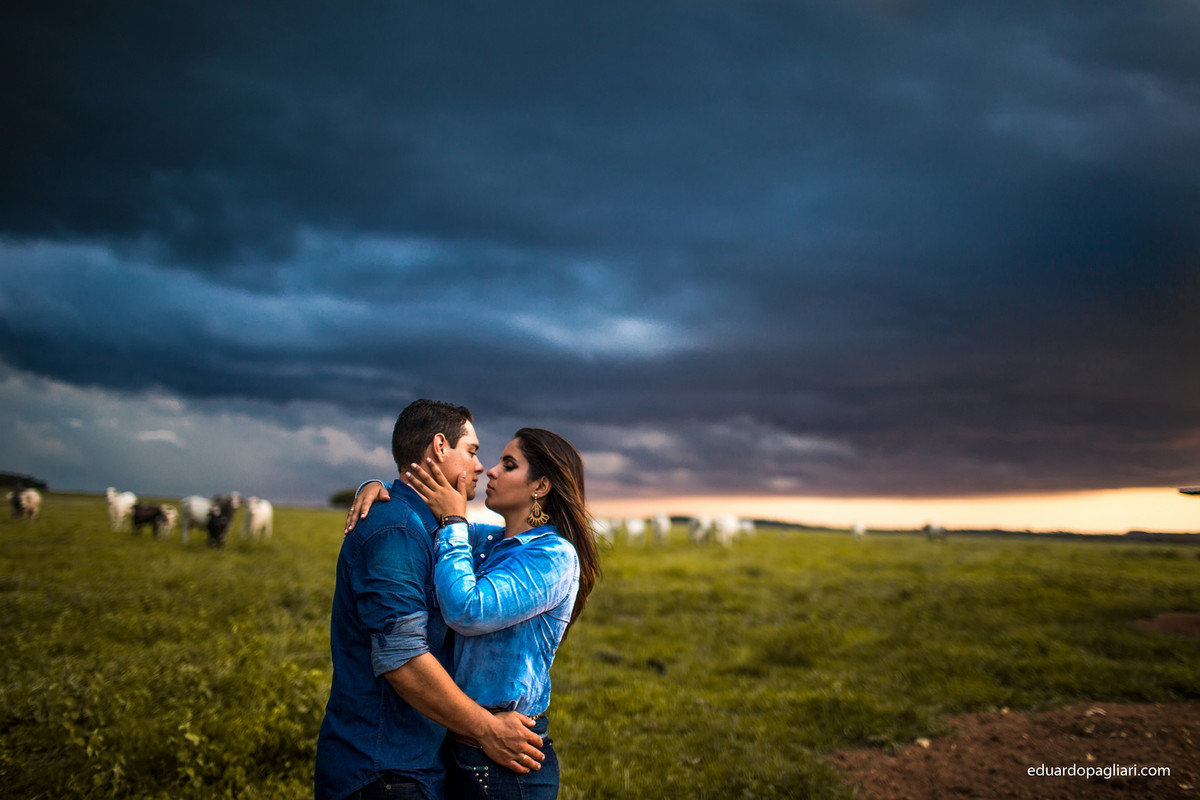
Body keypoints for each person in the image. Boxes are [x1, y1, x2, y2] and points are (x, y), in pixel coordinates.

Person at [349, 427, 600, 800]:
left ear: (541, 487)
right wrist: (376, 489)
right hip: (461, 741)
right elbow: (426, 516)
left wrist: (453, 522)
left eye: (509, 465)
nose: (491, 471)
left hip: (506, 759)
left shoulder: (553, 556)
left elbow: (468, 610)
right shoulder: (488, 541)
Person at [315, 400, 546, 800]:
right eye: (471, 451)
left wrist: (378, 484)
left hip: (411, 764)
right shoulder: (397, 531)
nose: (481, 466)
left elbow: (514, 540)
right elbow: (402, 661)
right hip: (382, 772)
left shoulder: (430, 526)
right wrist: (488, 730)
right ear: (440, 447)